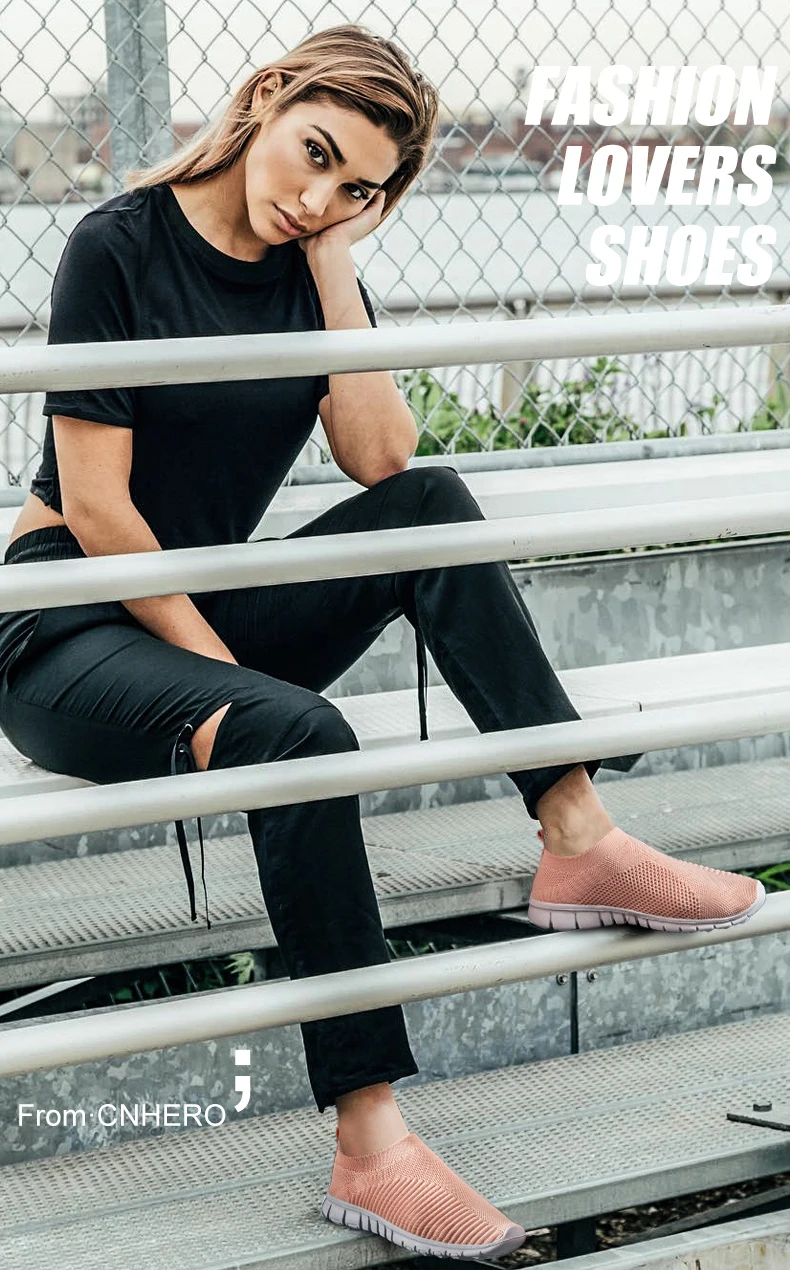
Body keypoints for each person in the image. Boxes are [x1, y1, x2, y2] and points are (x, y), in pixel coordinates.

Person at [0, 24, 765, 1262]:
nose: (318, 197)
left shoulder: (312, 260)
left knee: (430, 505)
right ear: (264, 98)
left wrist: (332, 261)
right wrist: (226, 672)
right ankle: (372, 1144)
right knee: (297, 729)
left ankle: (577, 837)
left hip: (193, 615)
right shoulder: (119, 243)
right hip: (67, 630)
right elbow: (98, 512)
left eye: (355, 187)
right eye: (314, 156)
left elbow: (380, 457)